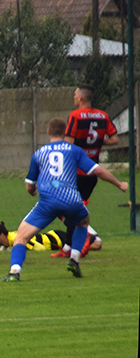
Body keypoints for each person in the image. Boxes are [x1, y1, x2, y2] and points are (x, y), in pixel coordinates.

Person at [0, 118, 128, 282]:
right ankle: (74, 259)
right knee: (83, 221)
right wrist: (119, 184)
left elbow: (30, 186)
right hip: (71, 200)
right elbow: (98, 171)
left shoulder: (39, 153)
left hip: (47, 203)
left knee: (21, 238)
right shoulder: (75, 150)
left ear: (48, 132)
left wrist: (32, 192)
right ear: (65, 132)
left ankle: (14, 272)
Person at [52, 84, 118, 258]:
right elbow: (114, 139)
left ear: (80, 98)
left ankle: (89, 237)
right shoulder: (103, 115)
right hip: (92, 173)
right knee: (71, 207)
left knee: (57, 204)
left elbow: (68, 145)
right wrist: (94, 144)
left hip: (76, 173)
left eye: (75, 95)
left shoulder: (75, 116)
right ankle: (68, 248)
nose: (74, 97)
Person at [0, 222, 101, 255]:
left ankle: (90, 238)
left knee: (96, 245)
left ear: (2, 235)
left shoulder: (14, 239)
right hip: (53, 235)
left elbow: (40, 248)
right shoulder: (9, 240)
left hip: (56, 239)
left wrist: (13, 249)